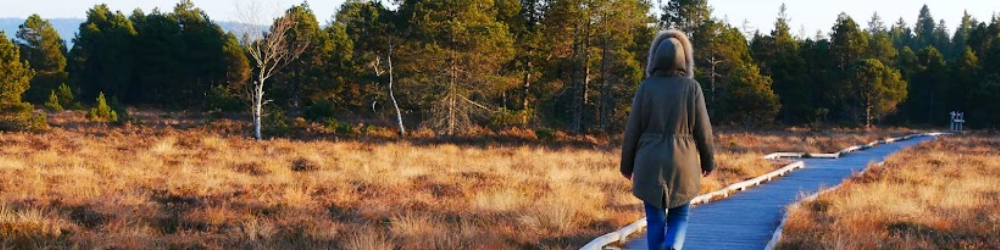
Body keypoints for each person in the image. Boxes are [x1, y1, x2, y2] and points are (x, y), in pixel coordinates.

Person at [620, 29, 715, 250]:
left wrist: (626, 165)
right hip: (683, 163)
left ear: (654, 59)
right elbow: (703, 130)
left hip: (649, 162)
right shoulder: (692, 88)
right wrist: (708, 162)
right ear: (685, 60)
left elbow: (632, 130)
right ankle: (673, 245)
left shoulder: (645, 88)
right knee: (680, 217)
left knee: (655, 220)